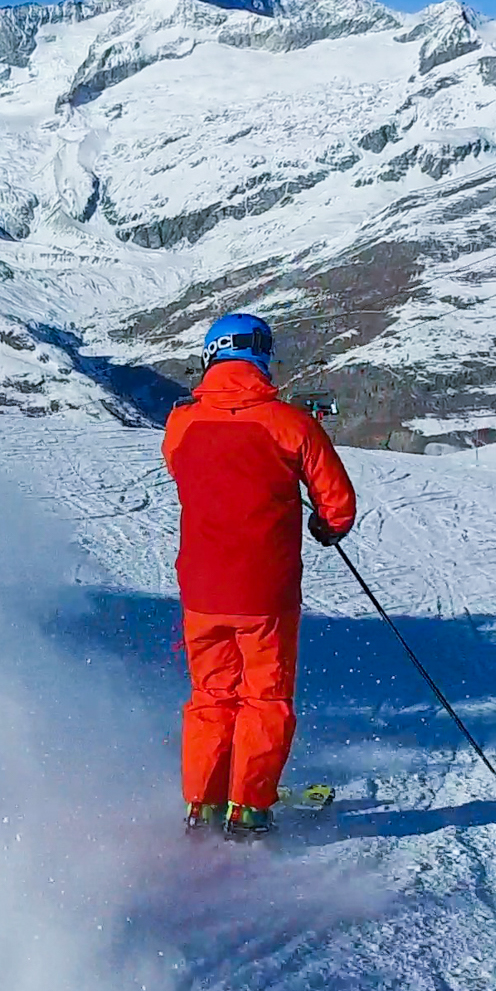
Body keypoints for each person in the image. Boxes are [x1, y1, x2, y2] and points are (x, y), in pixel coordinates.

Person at [161, 313, 358, 835]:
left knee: (211, 696)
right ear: (262, 357)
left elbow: (186, 470)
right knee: (264, 697)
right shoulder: (290, 424)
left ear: (210, 356)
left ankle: (202, 803)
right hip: (264, 591)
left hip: (201, 590)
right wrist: (323, 524)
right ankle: (248, 807)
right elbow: (338, 506)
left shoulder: (180, 423)